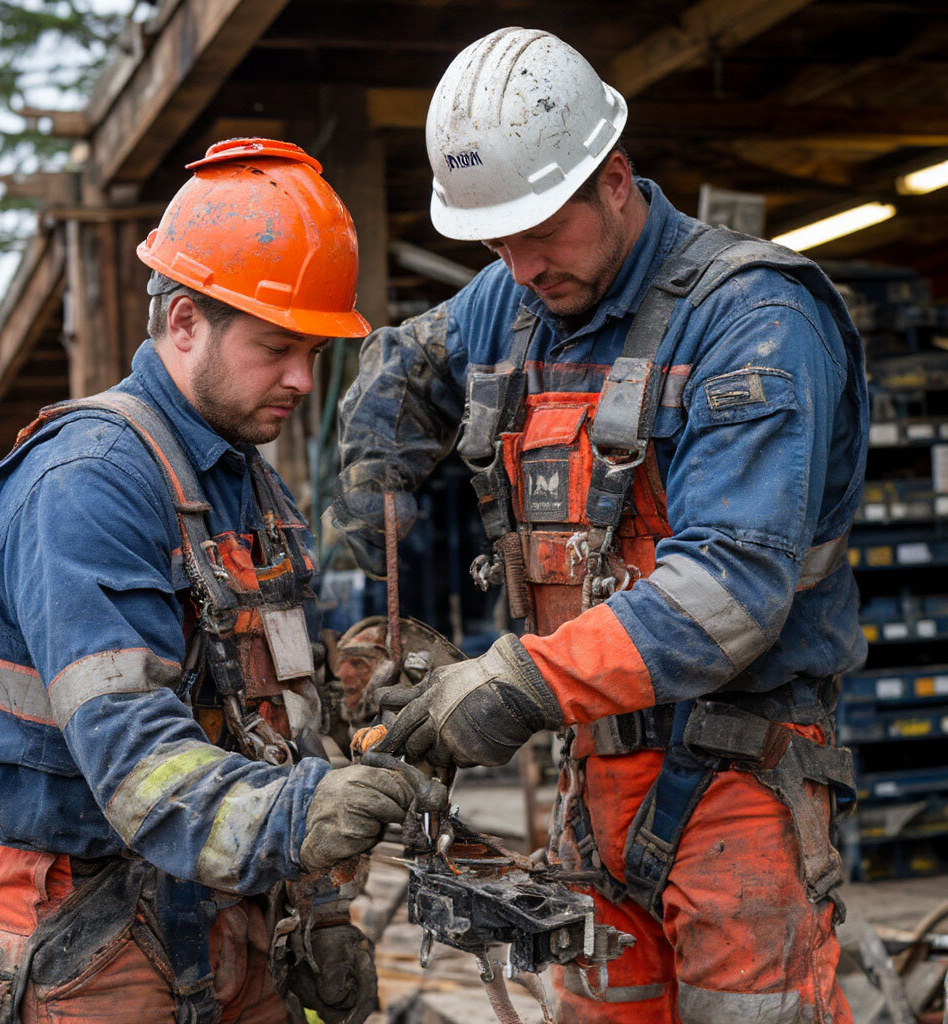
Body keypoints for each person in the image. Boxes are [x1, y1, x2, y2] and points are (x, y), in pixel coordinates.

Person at [330, 29, 867, 1024]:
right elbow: (405, 364)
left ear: (614, 180)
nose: (519, 266)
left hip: (740, 778)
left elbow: (729, 591)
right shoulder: (515, 298)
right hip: (593, 771)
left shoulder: (753, 319)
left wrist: (512, 682)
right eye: (494, 244)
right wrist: (373, 533)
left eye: (538, 232)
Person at [0, 138, 424, 1024]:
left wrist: (322, 912)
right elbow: (138, 764)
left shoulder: (247, 481)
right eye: (277, 346)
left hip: (238, 907)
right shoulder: (86, 484)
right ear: (184, 322)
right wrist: (301, 820)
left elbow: (282, 710)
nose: (301, 379)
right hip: (91, 931)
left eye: (314, 352)